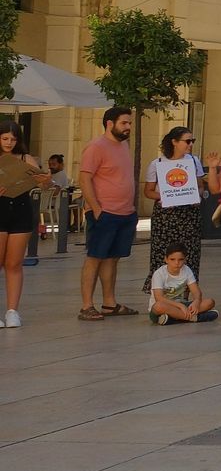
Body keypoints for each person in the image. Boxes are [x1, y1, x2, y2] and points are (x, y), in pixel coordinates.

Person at [78, 107, 139, 321]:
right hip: (104, 213)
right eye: (124, 123)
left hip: (125, 212)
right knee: (95, 257)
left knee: (112, 259)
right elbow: (84, 178)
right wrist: (95, 208)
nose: (128, 127)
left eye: (129, 123)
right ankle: (87, 306)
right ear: (109, 123)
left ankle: (109, 303)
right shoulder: (96, 147)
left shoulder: (123, 145)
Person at [0, 120, 50, 327]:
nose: (9, 143)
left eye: (13, 139)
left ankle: (13, 311)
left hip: (21, 209)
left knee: (14, 263)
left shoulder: (25, 158)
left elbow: (44, 184)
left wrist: (45, 179)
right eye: (4, 138)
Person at [148, 244, 216, 325]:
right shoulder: (159, 274)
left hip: (180, 305)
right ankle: (194, 318)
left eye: (180, 259)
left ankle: (173, 319)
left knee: (210, 302)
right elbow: (159, 298)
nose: (177, 263)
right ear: (166, 259)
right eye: (172, 259)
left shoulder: (186, 270)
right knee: (159, 306)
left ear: (185, 260)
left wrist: (196, 302)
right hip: (164, 307)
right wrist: (181, 306)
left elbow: (196, 291)